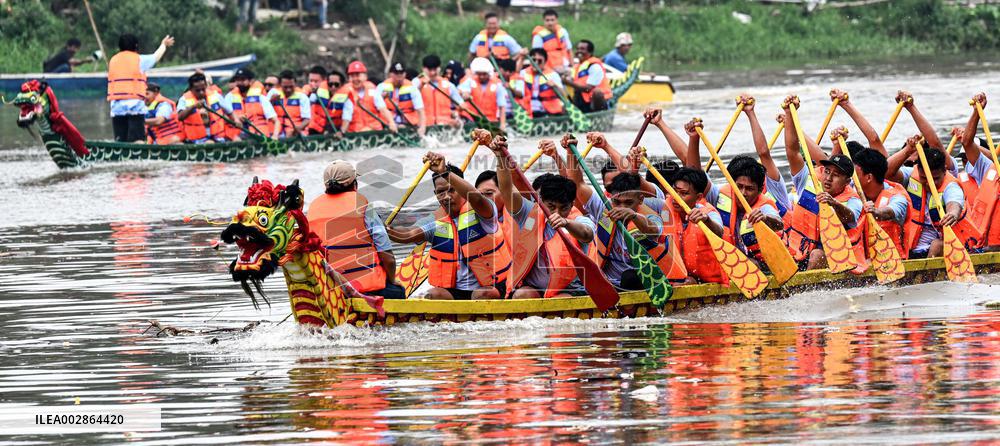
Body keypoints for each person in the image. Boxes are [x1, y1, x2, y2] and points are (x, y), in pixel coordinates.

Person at [386, 152, 511, 300]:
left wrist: (444, 172)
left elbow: (476, 197)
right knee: (433, 294)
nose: (445, 197)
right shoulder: (436, 221)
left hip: (492, 287)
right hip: (457, 291)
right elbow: (406, 235)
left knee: (482, 294)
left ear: (461, 188)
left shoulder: (484, 209)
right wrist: (382, 230)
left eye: (451, 190)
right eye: (440, 193)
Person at [558, 135, 672, 290]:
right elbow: (577, 184)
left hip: (639, 282)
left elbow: (652, 230)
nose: (621, 207)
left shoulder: (651, 212)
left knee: (629, 277)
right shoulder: (603, 207)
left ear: (640, 199)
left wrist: (633, 216)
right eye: (617, 202)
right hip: (608, 284)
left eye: (628, 203)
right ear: (610, 196)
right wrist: (571, 151)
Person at [489, 137, 596, 299]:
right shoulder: (528, 213)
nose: (557, 213)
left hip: (569, 290)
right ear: (540, 201)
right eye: (551, 207)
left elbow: (587, 234)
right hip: (533, 288)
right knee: (522, 295)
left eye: (564, 208)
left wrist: (566, 223)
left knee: (562, 300)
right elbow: (506, 189)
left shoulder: (578, 220)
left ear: (572, 204)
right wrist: (500, 156)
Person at [685, 116, 784, 267]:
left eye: (749, 188)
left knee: (751, 264)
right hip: (727, 263)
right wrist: (694, 139)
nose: (743, 193)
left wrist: (764, 219)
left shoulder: (764, 206)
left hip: (763, 265)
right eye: (739, 186)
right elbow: (694, 176)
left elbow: (778, 224)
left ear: (759, 190)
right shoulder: (719, 196)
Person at [780, 95, 865, 270]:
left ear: (847, 181)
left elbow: (850, 217)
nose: (828, 178)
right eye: (827, 171)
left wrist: (833, 203)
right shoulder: (809, 182)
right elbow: (792, 152)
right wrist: (789, 114)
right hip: (796, 250)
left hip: (835, 257)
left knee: (817, 254)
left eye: (836, 175)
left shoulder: (853, 199)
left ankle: (803, 289)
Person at [307, 160, 404, 299]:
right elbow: (387, 256)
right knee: (398, 291)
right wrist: (392, 279)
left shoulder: (313, 209)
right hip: (366, 289)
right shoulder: (364, 207)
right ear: (354, 184)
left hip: (329, 291)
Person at [887, 135, 971, 259]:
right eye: (924, 178)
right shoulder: (911, 174)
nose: (929, 183)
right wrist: (907, 151)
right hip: (914, 247)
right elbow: (886, 173)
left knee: (936, 245)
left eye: (935, 179)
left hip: (951, 244)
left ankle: (926, 275)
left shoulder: (951, 186)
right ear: (917, 169)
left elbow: (955, 202)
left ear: (944, 171)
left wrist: (952, 214)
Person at [107, 33, 174, 143]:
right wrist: (163, 45)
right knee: (137, 139)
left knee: (121, 141)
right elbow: (156, 57)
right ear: (136, 46)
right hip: (134, 104)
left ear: (120, 46)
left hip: (116, 105)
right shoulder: (139, 59)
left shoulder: (113, 61)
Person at [848, 144, 911, 259]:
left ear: (869, 178)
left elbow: (891, 211)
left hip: (890, 260)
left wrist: (876, 212)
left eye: (855, 175)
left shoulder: (898, 197)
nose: (852, 179)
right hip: (861, 260)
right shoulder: (851, 190)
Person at [177, 72, 236, 143]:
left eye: (203, 89)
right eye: (198, 90)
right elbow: (180, 117)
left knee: (237, 139)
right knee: (210, 142)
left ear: (206, 86)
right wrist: (193, 107)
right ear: (191, 89)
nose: (201, 92)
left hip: (218, 136)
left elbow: (230, 112)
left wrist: (236, 120)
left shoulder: (215, 95)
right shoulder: (184, 99)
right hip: (196, 139)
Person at [225, 68, 280, 140]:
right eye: (237, 80)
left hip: (260, 136)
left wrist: (275, 136)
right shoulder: (229, 97)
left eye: (243, 79)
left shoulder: (261, 98)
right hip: (238, 135)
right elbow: (224, 117)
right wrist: (236, 118)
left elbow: (276, 121)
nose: (240, 82)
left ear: (251, 81)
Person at [344, 61, 397, 133]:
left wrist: (391, 122)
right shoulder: (346, 93)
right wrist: (342, 132)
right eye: (352, 76)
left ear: (365, 76)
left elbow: (383, 109)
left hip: (375, 131)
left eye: (358, 75)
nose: (355, 79)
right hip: (356, 133)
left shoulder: (373, 90)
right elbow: (346, 117)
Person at [459, 58, 507, 132]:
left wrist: (502, 124)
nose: (481, 76)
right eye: (479, 74)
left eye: (484, 74)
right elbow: (462, 91)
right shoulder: (470, 81)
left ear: (489, 73)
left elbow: (502, 106)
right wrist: (464, 94)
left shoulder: (498, 85)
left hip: (490, 121)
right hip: (473, 121)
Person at [378, 63, 426, 136]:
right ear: (390, 74)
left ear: (405, 74)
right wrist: (391, 122)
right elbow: (379, 107)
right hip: (388, 123)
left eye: (401, 73)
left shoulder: (412, 88)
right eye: (396, 73)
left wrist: (422, 127)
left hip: (407, 122)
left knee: (403, 126)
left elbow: (420, 109)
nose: (399, 76)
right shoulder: (382, 87)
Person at [415, 55, 463, 127]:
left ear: (439, 68)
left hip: (445, 127)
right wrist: (421, 86)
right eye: (429, 70)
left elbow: (461, 105)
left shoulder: (448, 85)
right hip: (424, 126)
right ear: (423, 69)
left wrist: (456, 115)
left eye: (435, 69)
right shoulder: (416, 83)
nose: (432, 73)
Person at [563, 40, 611, 112]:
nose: (579, 51)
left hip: (595, 103)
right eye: (578, 49)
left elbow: (588, 89)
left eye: (582, 49)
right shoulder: (577, 67)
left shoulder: (595, 66)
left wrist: (569, 83)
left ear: (590, 52)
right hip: (582, 100)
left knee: (597, 92)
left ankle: (596, 114)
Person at [520, 49, 565, 118]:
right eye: (533, 60)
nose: (536, 63)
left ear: (545, 61)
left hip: (548, 110)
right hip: (529, 109)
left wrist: (555, 86)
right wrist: (521, 57)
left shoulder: (553, 75)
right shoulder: (523, 73)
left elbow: (562, 94)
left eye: (540, 61)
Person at [271, 70, 312, 138]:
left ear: (295, 84)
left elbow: (307, 120)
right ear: (280, 85)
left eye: (291, 86)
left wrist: (296, 130)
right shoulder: (273, 94)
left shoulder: (302, 97)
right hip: (275, 134)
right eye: (285, 87)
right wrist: (271, 101)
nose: (288, 90)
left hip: (295, 134)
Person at [305, 65, 342, 135]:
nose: (312, 84)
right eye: (311, 81)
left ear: (324, 80)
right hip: (311, 130)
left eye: (316, 81)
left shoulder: (333, 93)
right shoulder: (305, 93)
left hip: (328, 130)